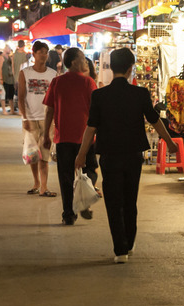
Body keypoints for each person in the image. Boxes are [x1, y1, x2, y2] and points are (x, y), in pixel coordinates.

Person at [75, 48, 177, 263]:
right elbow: (154, 120)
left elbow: (91, 127)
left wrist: (82, 153)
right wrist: (168, 141)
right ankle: (129, 244)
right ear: (131, 68)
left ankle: (120, 250)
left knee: (113, 202)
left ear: (111, 68)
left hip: (110, 156)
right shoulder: (140, 94)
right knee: (130, 201)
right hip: (133, 156)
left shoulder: (99, 95)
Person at [42, 47, 98, 225]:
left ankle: (68, 214)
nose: (86, 61)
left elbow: (49, 111)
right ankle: (84, 198)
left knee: (65, 176)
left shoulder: (57, 82)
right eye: (83, 58)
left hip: (63, 138)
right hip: (86, 139)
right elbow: (97, 112)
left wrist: (46, 135)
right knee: (90, 171)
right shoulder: (88, 83)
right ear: (74, 62)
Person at [18, 41, 57, 196]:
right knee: (33, 154)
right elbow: (21, 98)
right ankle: (36, 182)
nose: (43, 55)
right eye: (40, 52)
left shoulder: (53, 74)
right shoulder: (25, 73)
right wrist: (24, 118)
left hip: (48, 119)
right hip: (30, 119)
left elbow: (56, 99)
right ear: (33, 54)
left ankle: (44, 187)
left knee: (45, 154)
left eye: (45, 52)